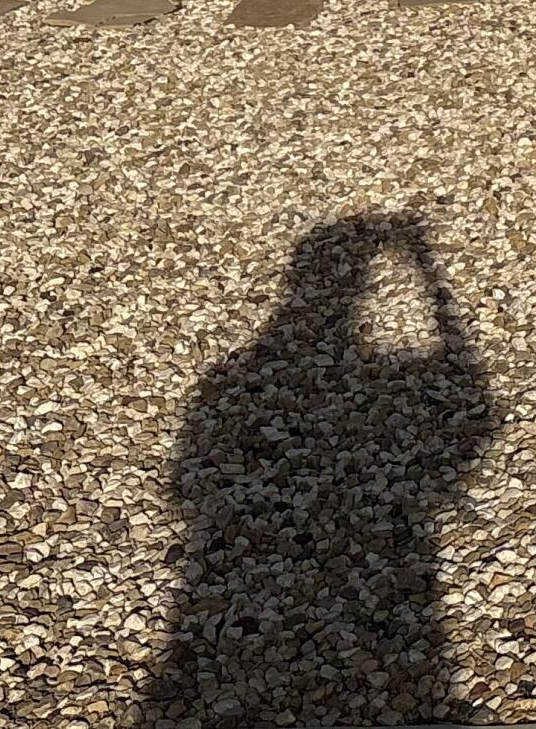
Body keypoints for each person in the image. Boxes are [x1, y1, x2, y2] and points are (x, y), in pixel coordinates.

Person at [143, 213, 498, 725]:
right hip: (405, 566)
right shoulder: (239, 377)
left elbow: (184, 482)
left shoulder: (234, 377)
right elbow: (474, 424)